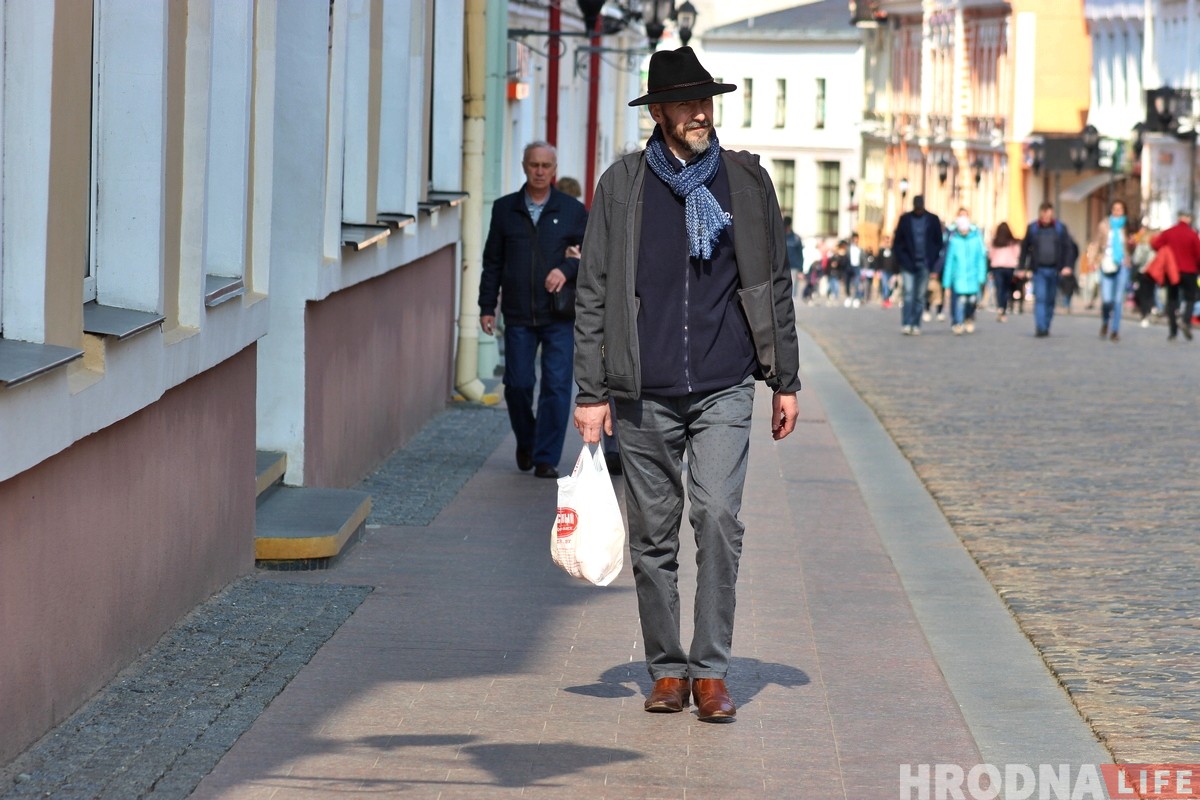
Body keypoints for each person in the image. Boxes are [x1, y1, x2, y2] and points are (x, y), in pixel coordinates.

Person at [572, 46, 801, 723]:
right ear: (662, 112)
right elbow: (594, 293)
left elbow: (773, 285)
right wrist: (590, 392)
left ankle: (710, 672)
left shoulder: (745, 183)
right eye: (687, 102)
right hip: (642, 387)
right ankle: (667, 669)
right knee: (654, 534)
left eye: (707, 101)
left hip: (726, 382)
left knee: (718, 517)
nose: (701, 112)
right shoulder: (623, 186)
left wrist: (785, 379)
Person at [479, 141, 588, 479]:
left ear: (554, 170)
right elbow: (492, 262)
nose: (540, 171)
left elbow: (592, 256)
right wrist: (486, 306)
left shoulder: (572, 210)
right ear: (524, 167)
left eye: (546, 166)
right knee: (518, 384)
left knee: (556, 387)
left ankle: (545, 458)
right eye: (534, 165)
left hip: (558, 314)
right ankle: (526, 441)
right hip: (518, 314)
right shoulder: (504, 209)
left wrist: (566, 270)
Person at [1019, 202, 1077, 337]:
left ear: (1052, 214)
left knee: (1051, 299)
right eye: (1043, 214)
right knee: (1040, 298)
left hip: (1055, 270)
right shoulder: (1033, 228)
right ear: (1040, 214)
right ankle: (1041, 327)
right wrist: (1021, 267)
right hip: (1039, 270)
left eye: (1048, 214)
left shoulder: (1060, 228)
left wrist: (1068, 266)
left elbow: (1069, 249)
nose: (1045, 217)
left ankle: (1046, 324)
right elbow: (1024, 249)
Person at [893, 194, 944, 335]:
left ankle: (916, 324)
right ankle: (906, 323)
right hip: (908, 263)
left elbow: (938, 242)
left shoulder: (932, 219)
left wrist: (932, 259)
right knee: (908, 293)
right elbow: (897, 243)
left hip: (925, 263)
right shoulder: (905, 219)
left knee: (920, 295)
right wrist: (902, 259)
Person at [1151, 209, 1200, 341]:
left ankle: (1173, 332)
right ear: (1188, 218)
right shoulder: (1192, 234)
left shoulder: (1169, 232)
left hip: (1171, 271)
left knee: (1172, 300)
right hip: (1189, 270)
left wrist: (1166, 251)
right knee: (1191, 298)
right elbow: (1198, 254)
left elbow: (1155, 244)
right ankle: (1185, 321)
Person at [1089, 200, 1133, 342]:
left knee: (1118, 299)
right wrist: (1092, 261)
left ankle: (1115, 330)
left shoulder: (1127, 226)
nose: (1117, 211)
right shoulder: (1104, 225)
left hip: (1122, 265)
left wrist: (1130, 252)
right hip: (1106, 263)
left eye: (1120, 209)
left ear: (1124, 211)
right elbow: (1096, 243)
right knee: (1107, 300)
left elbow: (1133, 244)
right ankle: (1105, 322)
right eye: (1115, 209)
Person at [941, 208, 988, 334]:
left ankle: (969, 318)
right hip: (958, 277)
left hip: (972, 276)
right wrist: (947, 281)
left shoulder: (976, 239)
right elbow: (949, 262)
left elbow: (980, 259)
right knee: (959, 301)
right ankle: (958, 322)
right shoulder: (954, 240)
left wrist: (981, 276)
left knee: (971, 301)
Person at [988, 222, 1021, 322]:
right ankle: (1004, 308)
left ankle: (1000, 307)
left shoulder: (995, 242)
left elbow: (990, 255)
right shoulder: (1012, 242)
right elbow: (1017, 254)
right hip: (1009, 267)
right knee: (1006, 289)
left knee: (999, 288)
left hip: (997, 267)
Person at [785, 216, 805, 298]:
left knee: (793, 284)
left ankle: (792, 300)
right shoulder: (781, 236)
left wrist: (800, 269)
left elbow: (800, 254)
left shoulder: (796, 238)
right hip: (783, 266)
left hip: (794, 266)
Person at [875, 234, 898, 307]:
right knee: (884, 285)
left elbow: (896, 262)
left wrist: (896, 273)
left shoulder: (894, 251)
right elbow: (878, 261)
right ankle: (885, 299)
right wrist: (877, 271)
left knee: (891, 286)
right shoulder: (881, 251)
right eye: (886, 241)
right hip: (883, 271)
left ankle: (888, 297)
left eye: (888, 241)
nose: (887, 243)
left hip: (892, 272)